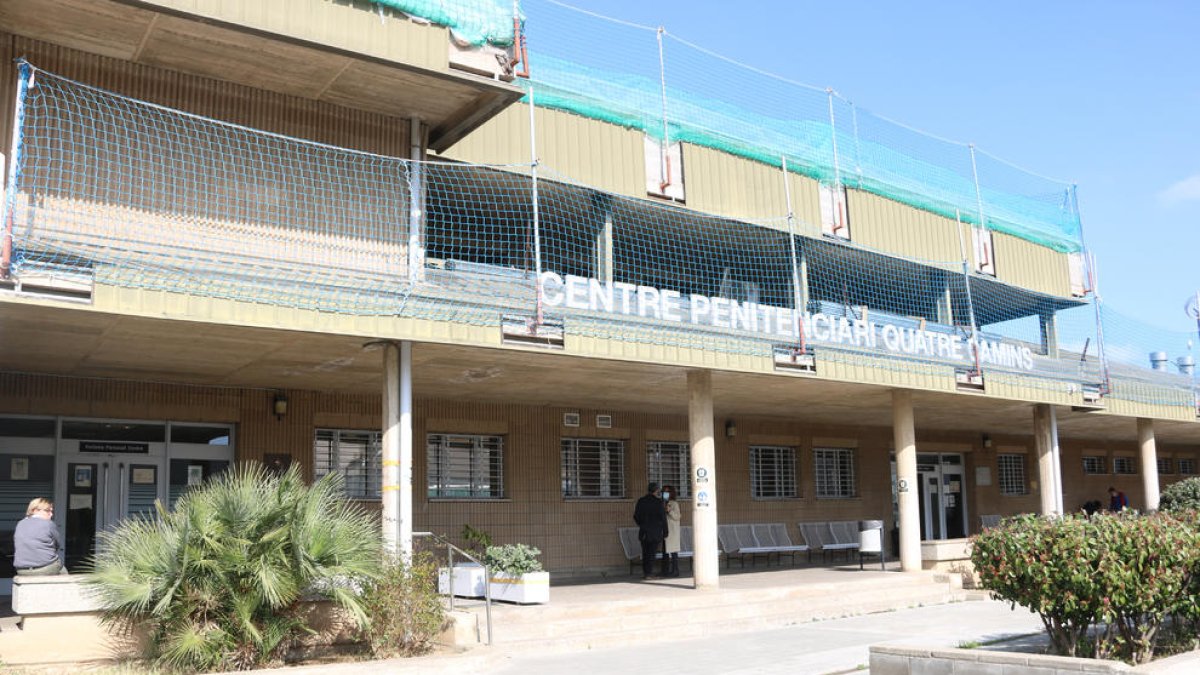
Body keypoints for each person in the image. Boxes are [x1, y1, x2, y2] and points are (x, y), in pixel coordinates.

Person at [13, 497, 65, 576]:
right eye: (47, 511)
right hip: (46, 568)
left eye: (51, 511)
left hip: (22, 570)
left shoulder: (20, 523)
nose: (51, 514)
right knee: (63, 571)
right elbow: (57, 544)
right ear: (35, 510)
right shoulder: (48, 524)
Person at [633, 482, 667, 580]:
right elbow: (663, 518)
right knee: (652, 553)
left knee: (645, 553)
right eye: (658, 490)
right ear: (656, 490)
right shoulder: (658, 502)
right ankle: (649, 573)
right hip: (655, 532)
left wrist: (642, 524)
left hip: (644, 531)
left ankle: (646, 573)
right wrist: (665, 531)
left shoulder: (641, 501)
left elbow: (636, 516)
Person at [660, 484, 681, 578]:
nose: (665, 493)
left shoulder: (674, 503)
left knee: (673, 551)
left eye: (667, 492)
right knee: (664, 551)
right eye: (664, 491)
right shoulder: (662, 502)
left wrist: (669, 511)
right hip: (664, 529)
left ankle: (675, 570)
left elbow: (677, 516)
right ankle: (665, 571)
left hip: (672, 530)